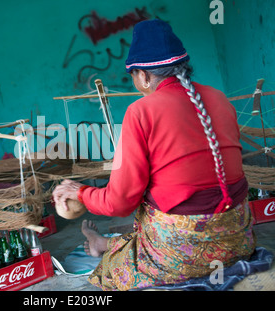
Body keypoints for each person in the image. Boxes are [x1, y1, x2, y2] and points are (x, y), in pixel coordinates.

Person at [52, 19, 256, 291]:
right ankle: (102, 243)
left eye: (134, 76)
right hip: (238, 239)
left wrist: (80, 192)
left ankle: (107, 249)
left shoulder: (141, 111)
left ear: (144, 76)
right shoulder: (219, 98)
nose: (136, 82)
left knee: (111, 271)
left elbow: (119, 203)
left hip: (183, 254)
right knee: (149, 217)